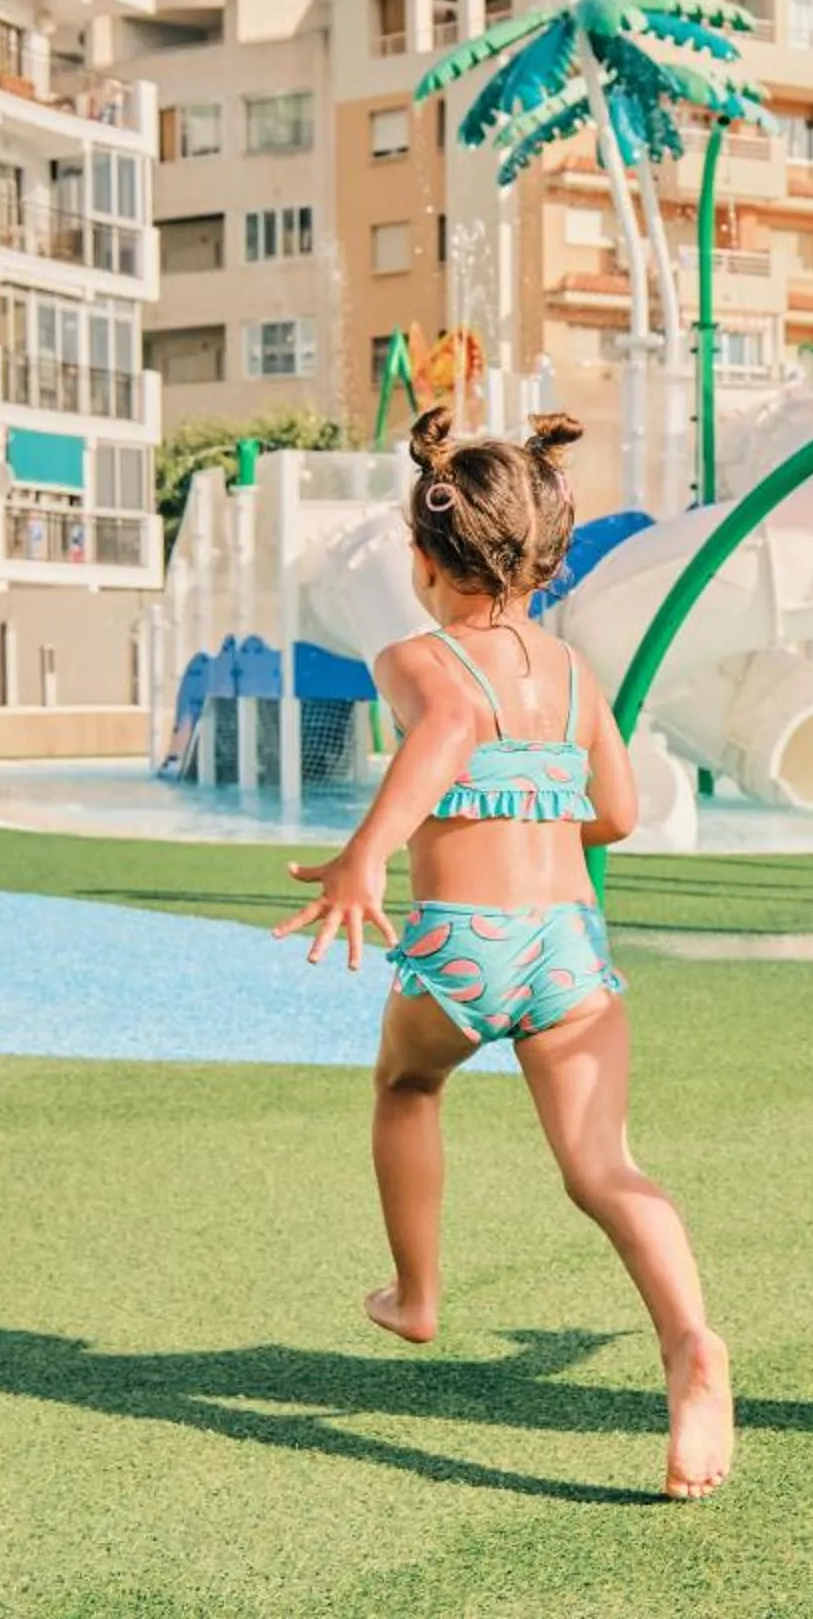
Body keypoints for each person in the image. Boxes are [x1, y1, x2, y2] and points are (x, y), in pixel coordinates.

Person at [275, 407, 733, 1500]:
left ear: (427, 560)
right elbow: (616, 812)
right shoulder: (576, 675)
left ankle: (417, 1292)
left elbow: (438, 734)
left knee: (407, 1081)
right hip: (569, 946)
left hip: (464, 950)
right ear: (551, 556)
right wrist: (530, 806)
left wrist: (367, 856)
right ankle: (691, 1342)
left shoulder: (415, 657)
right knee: (604, 1167)